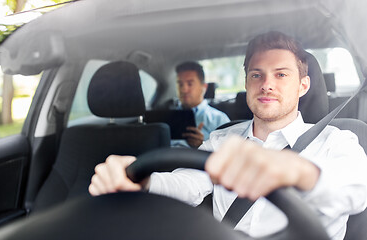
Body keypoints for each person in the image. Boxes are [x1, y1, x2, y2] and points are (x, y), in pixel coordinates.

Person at [88, 31, 367, 239]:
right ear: (246, 83)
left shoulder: (337, 141)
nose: (267, 84)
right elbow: (188, 183)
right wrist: (143, 182)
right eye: (257, 75)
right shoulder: (223, 140)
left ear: (303, 86)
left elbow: (357, 192)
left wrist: (297, 171)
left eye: (281, 75)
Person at [171, 61, 230, 148]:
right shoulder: (167, 117)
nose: (184, 90)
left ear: (204, 87)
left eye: (190, 84)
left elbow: (229, 154)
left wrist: (203, 145)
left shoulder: (219, 119)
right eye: (180, 84)